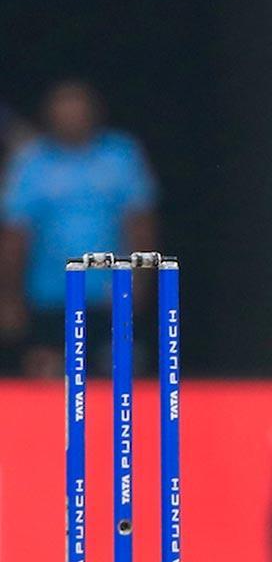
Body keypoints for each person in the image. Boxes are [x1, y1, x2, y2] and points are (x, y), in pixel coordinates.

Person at [0, 80, 157, 377]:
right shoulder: (31, 162)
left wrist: (141, 280)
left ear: (94, 114)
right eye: (63, 112)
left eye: (78, 111)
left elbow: (140, 225)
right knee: (47, 378)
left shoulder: (120, 156)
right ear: (49, 116)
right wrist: (9, 296)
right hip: (49, 294)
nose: (71, 119)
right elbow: (14, 236)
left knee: (116, 377)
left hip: (110, 293)